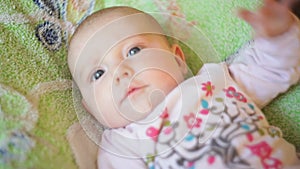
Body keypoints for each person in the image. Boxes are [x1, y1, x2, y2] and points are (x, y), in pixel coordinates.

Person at [68, 0, 300, 168]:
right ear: (89, 107)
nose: (120, 72)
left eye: (133, 50)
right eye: (98, 74)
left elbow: (273, 69)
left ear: (178, 59)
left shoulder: (215, 83)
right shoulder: (122, 147)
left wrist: (278, 36)